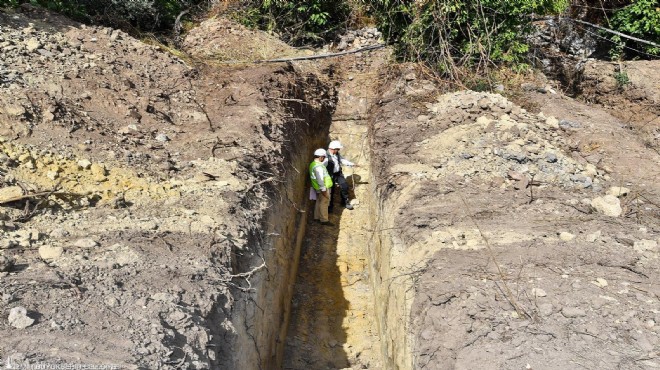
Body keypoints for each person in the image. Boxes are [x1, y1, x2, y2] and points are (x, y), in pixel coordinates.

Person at [324, 140, 357, 211]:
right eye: (337, 149)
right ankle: (330, 205)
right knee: (331, 190)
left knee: (344, 186)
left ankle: (345, 202)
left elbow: (342, 160)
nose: (338, 150)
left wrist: (351, 164)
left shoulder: (337, 154)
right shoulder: (325, 156)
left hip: (338, 173)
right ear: (332, 149)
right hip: (330, 175)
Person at [309, 148, 333, 226]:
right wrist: (324, 190)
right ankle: (324, 220)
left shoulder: (313, 164)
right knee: (324, 203)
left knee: (318, 202)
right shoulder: (318, 167)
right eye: (324, 157)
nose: (324, 159)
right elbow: (320, 180)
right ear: (321, 157)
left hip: (317, 188)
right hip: (323, 188)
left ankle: (316, 217)